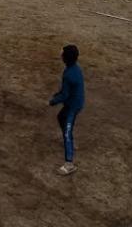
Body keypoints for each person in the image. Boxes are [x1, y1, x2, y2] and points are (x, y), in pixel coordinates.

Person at [49, 44, 85, 176]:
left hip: (73, 106)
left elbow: (65, 94)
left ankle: (69, 164)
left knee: (67, 131)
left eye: (62, 53)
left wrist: (53, 101)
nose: (60, 54)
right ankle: (68, 139)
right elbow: (66, 90)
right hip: (74, 102)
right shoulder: (74, 68)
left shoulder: (69, 73)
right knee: (60, 117)